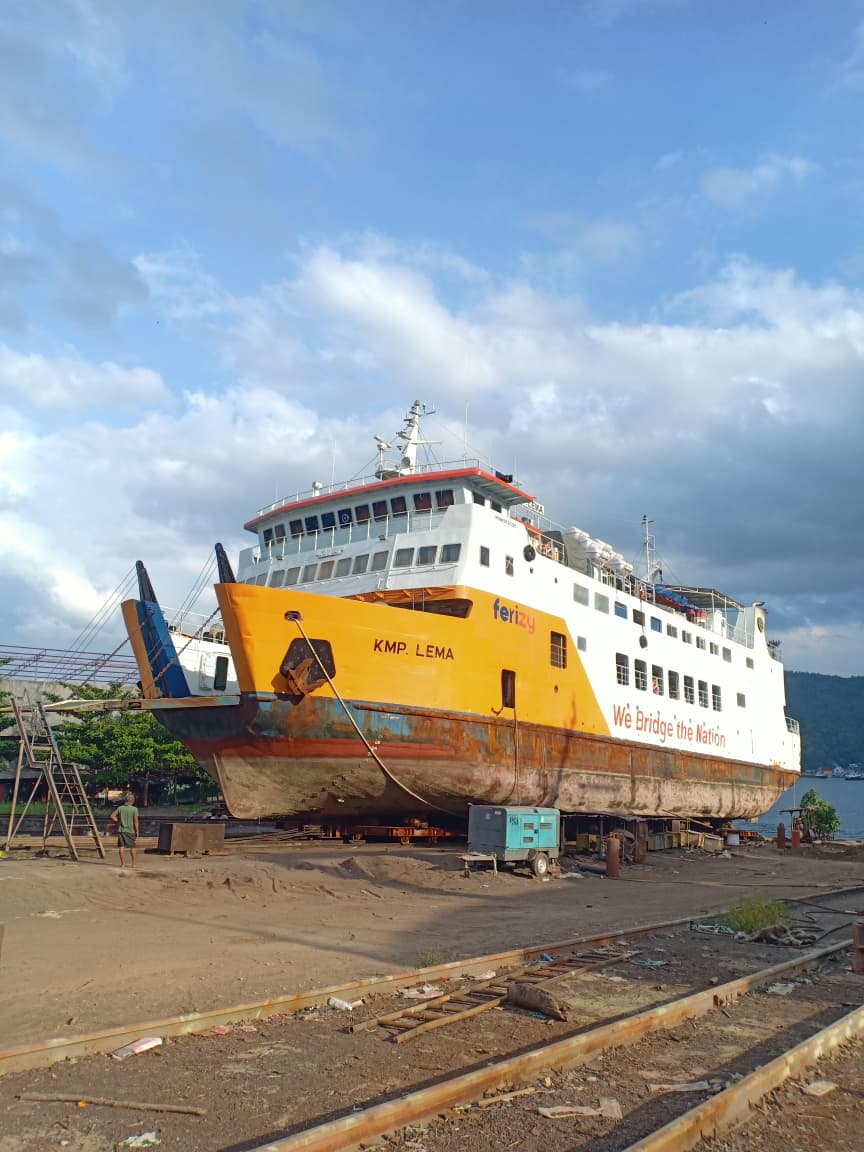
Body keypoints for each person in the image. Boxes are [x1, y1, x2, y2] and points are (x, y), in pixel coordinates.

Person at [107, 792, 140, 869]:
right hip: (131, 831)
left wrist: (118, 821)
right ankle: (134, 864)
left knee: (122, 847)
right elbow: (136, 822)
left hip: (121, 830)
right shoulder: (134, 809)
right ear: (132, 800)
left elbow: (112, 816)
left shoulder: (120, 808)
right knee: (133, 847)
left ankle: (123, 864)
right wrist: (137, 831)